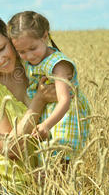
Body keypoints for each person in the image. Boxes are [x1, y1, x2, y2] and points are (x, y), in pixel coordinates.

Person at [0, 17, 105, 195]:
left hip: (52, 179)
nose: (0, 59)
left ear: (11, 39)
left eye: (3, 48)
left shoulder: (35, 64)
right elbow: (8, 149)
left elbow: (69, 108)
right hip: (13, 188)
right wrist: (39, 101)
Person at [7, 11, 90, 161]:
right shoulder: (30, 61)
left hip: (65, 117)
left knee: (60, 161)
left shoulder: (58, 65)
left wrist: (46, 124)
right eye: (22, 52)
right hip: (48, 116)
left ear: (45, 36)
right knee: (47, 165)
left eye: (32, 48)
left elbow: (65, 100)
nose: (29, 56)